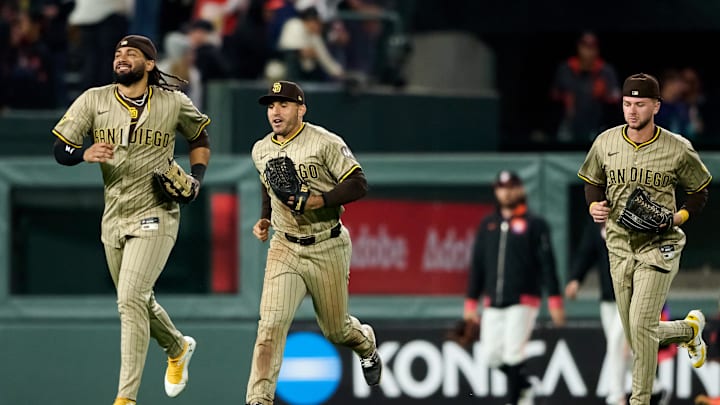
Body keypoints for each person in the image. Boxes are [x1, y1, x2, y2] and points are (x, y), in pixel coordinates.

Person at [51, 34, 211, 405]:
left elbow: (200, 136)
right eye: (118, 52)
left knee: (129, 300)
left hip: (157, 212)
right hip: (114, 216)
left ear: (150, 64)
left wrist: (197, 178)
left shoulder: (173, 102)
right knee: (138, 300)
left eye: (132, 53)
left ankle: (125, 398)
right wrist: (83, 152)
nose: (122, 57)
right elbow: (61, 149)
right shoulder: (95, 99)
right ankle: (177, 346)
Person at [578, 72, 711, 405]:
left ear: (655, 105)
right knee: (637, 335)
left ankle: (639, 401)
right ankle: (688, 331)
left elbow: (698, 190)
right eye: (626, 104)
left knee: (640, 325)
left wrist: (679, 217)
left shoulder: (677, 148)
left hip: (660, 243)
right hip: (620, 244)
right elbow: (591, 180)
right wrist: (594, 203)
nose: (632, 111)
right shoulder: (606, 142)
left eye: (639, 104)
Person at [245, 80, 381, 405]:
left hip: (327, 243)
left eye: (284, 104)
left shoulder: (324, 142)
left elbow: (359, 183)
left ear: (301, 108)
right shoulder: (260, 149)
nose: (275, 112)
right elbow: (269, 183)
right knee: (270, 328)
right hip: (285, 246)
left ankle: (366, 344)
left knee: (336, 330)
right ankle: (258, 399)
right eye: (271, 106)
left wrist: (321, 200)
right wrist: (265, 217)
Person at [464, 170, 566, 405]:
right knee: (490, 355)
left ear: (520, 189)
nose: (506, 192)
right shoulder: (489, 224)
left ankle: (514, 399)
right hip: (493, 301)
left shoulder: (535, 224)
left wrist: (554, 300)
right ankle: (524, 386)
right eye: (501, 187)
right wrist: (471, 302)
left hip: (524, 299)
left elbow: (547, 265)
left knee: (512, 354)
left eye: (511, 187)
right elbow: (478, 265)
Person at [565, 220, 629, 405]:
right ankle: (655, 388)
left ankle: (616, 396)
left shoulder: (632, 220)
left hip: (632, 296)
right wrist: (576, 278)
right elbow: (585, 254)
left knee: (617, 342)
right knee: (622, 349)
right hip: (608, 298)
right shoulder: (595, 226)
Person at [550, 32, 621, 145]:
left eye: (592, 47)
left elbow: (616, 100)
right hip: (569, 125)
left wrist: (606, 95)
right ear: (578, 47)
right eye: (585, 47)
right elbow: (554, 97)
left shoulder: (606, 71)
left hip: (597, 125)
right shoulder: (566, 69)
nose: (589, 52)